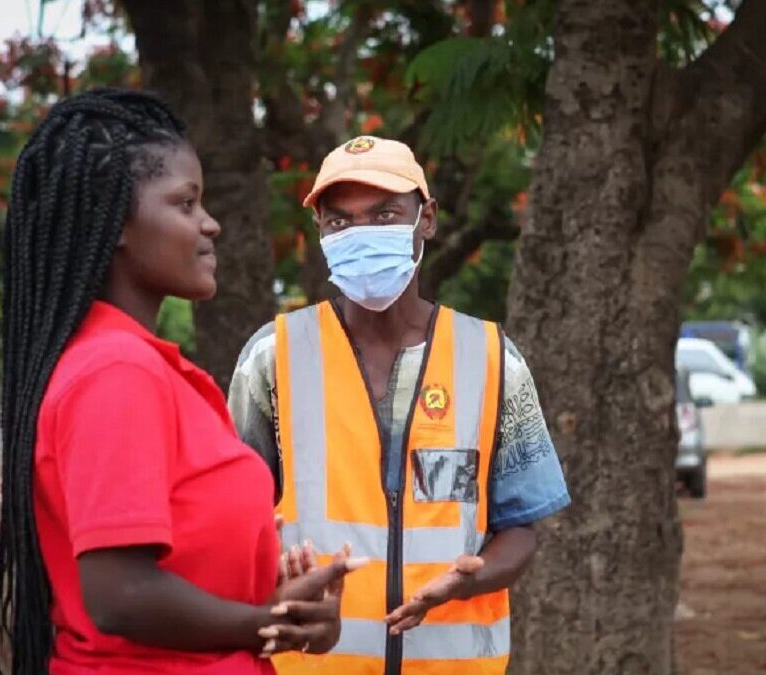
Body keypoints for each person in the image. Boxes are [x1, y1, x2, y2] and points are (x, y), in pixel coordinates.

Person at [0, 88, 362, 675]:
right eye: (185, 204)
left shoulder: (144, 367)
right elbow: (122, 595)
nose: (209, 223)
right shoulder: (116, 372)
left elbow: (177, 567)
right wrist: (270, 620)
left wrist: (285, 606)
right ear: (113, 222)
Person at [229, 135, 571, 674]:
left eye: (385, 214)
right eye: (340, 221)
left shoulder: (493, 360)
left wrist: (474, 576)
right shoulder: (272, 359)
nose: (361, 235)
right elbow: (234, 522)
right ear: (319, 230)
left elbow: (522, 525)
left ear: (427, 219)